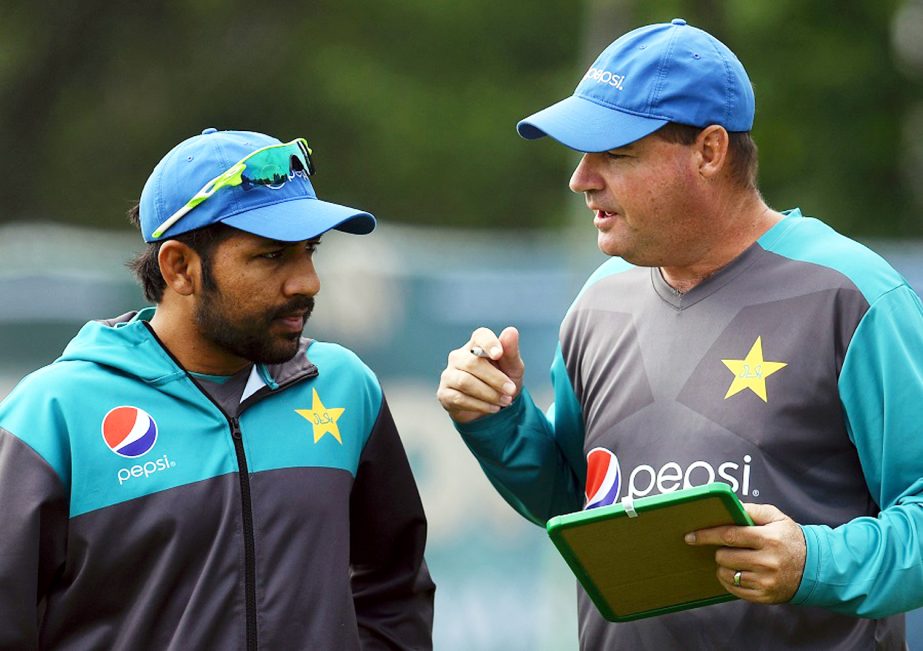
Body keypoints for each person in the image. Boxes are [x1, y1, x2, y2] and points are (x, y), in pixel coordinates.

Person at [437, 19, 923, 649]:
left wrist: (815, 562)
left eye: (615, 154)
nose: (581, 179)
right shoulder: (598, 305)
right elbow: (579, 503)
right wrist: (498, 419)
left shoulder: (853, 294)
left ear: (710, 152)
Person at [0, 128, 435, 650]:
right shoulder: (54, 412)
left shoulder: (345, 387)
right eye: (272, 257)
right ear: (180, 267)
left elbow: (393, 591)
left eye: (309, 250)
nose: (308, 281)